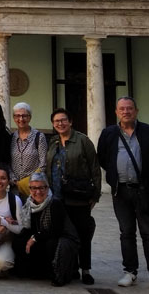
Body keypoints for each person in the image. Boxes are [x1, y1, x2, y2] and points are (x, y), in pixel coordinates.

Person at [97, 97, 149, 291]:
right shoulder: (109, 133)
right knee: (126, 233)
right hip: (121, 191)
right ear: (116, 112)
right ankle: (130, 272)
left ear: (136, 111)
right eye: (122, 108)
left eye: (129, 108)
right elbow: (103, 158)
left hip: (144, 191)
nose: (126, 111)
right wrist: (115, 176)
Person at [46, 108, 101, 285]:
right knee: (63, 235)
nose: (60, 124)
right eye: (56, 121)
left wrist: (95, 195)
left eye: (63, 120)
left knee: (83, 235)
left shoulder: (83, 141)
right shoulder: (53, 142)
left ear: (70, 122)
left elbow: (95, 168)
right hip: (57, 198)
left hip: (78, 197)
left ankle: (85, 269)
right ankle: (70, 268)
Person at [13, 172, 79, 287]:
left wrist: (35, 238)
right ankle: (34, 271)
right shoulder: (29, 204)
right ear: (29, 189)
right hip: (42, 236)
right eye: (34, 188)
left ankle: (55, 273)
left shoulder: (55, 203)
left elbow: (56, 230)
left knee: (51, 244)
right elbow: (29, 227)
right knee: (18, 241)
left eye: (41, 188)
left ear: (47, 188)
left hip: (59, 238)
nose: (37, 192)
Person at [9, 102, 47, 197]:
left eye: (24, 116)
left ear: (30, 117)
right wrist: (14, 180)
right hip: (15, 189)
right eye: (17, 116)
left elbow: (43, 164)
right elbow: (8, 162)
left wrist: (25, 183)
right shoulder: (11, 138)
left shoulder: (39, 137)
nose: (21, 119)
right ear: (14, 118)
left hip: (34, 188)